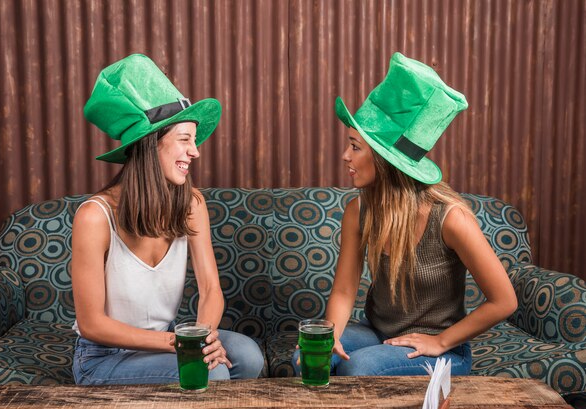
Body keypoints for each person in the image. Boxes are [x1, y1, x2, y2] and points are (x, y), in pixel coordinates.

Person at [294, 52, 517, 376]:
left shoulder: (451, 218)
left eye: (355, 146)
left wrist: (441, 341)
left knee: (361, 368)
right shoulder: (358, 211)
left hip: (444, 349)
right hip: (377, 331)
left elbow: (504, 301)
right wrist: (330, 335)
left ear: (385, 162)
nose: (345, 155)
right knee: (307, 357)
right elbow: (343, 291)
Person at [71, 54, 264, 385]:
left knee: (248, 356)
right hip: (103, 358)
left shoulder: (191, 203)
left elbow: (210, 289)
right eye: (185, 139)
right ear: (151, 144)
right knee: (213, 372)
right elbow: (92, 324)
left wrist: (203, 336)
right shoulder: (94, 216)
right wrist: (178, 343)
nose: (196, 152)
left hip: (164, 344)